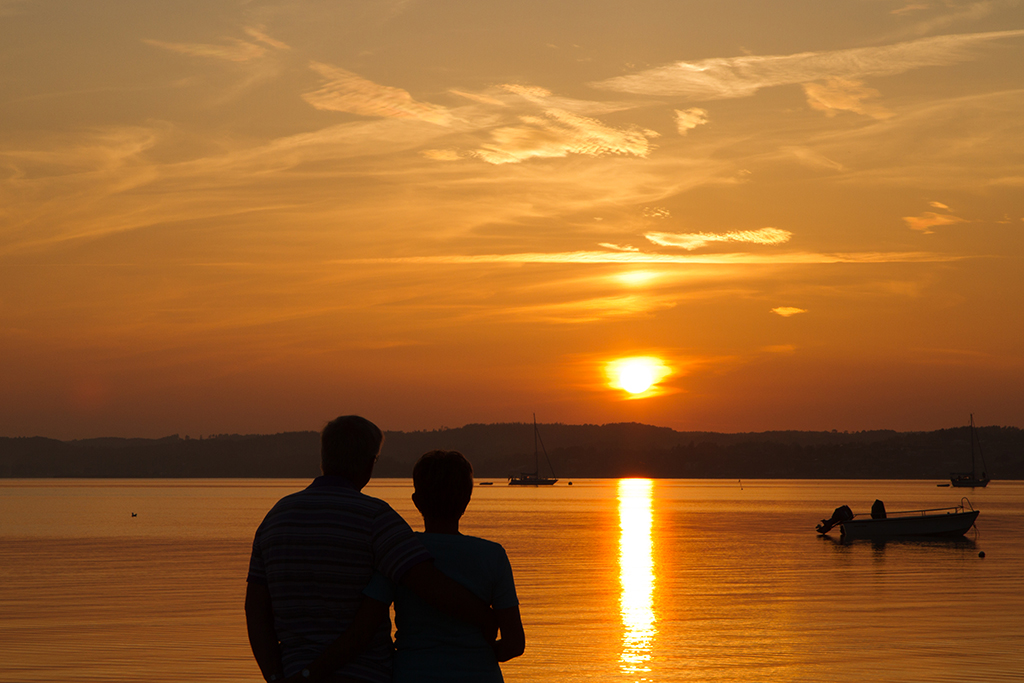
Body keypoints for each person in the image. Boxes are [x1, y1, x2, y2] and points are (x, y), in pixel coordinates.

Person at [245, 416, 495, 683]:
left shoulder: (275, 519)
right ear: (369, 462)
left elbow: (256, 609)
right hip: (365, 674)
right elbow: (430, 585)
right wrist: (488, 618)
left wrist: (275, 676)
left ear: (324, 457)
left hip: (291, 670)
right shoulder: (377, 519)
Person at [364, 450, 525, 682]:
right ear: (467, 499)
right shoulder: (492, 555)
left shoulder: (399, 551)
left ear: (416, 501)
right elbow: (514, 644)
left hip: (413, 672)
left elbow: (370, 622)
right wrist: (485, 655)